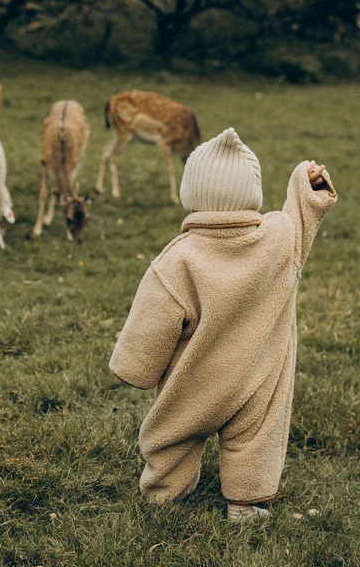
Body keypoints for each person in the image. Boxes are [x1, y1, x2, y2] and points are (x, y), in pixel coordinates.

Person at [110, 127, 337, 521]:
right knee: (256, 438)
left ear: (191, 195)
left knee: (172, 435)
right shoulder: (278, 240)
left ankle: (164, 495)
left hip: (195, 380)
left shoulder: (178, 259)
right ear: (252, 194)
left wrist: (134, 365)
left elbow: (152, 319)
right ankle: (246, 503)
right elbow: (298, 220)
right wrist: (306, 183)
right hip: (259, 377)